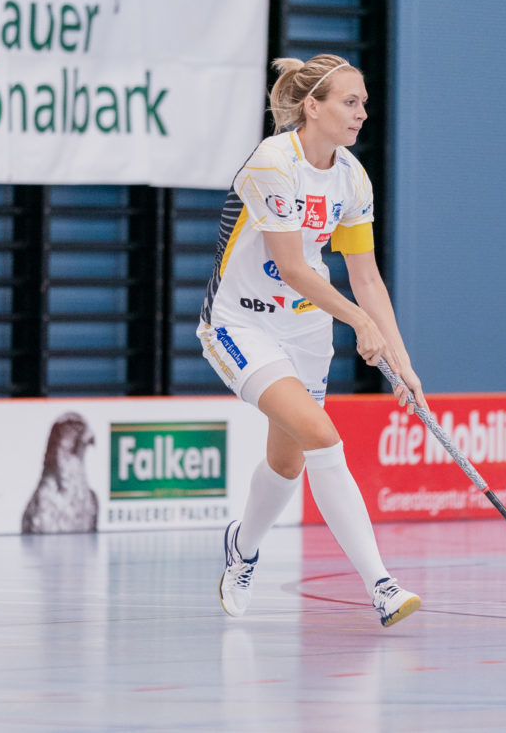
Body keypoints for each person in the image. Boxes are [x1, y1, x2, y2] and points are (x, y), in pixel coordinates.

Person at [197, 54, 425, 625]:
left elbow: (366, 276)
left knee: (289, 459)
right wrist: (360, 324)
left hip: (305, 331)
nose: (363, 114)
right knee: (324, 435)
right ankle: (382, 585)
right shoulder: (273, 162)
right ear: (311, 106)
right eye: (351, 102)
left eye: (365, 102)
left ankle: (241, 548)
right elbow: (295, 267)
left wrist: (402, 361)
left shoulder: (352, 177)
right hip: (240, 323)